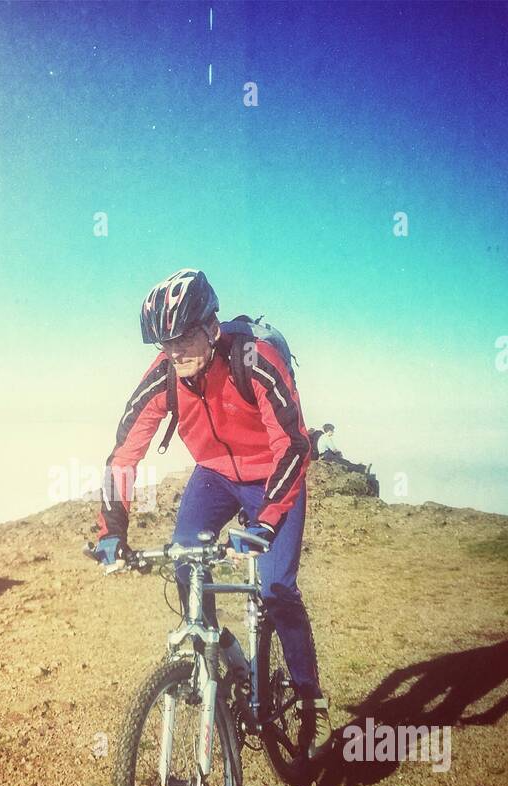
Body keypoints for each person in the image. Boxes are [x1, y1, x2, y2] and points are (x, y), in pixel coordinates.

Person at [91, 268, 331, 756]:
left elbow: (293, 444)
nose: (174, 352)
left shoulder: (252, 358)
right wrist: (113, 529)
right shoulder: (165, 374)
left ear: (211, 326)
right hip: (215, 475)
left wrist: (265, 520)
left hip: (273, 475)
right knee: (185, 561)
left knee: (278, 585)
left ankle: (308, 693)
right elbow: (124, 454)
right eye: (165, 343)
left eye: (183, 338)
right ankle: (217, 661)